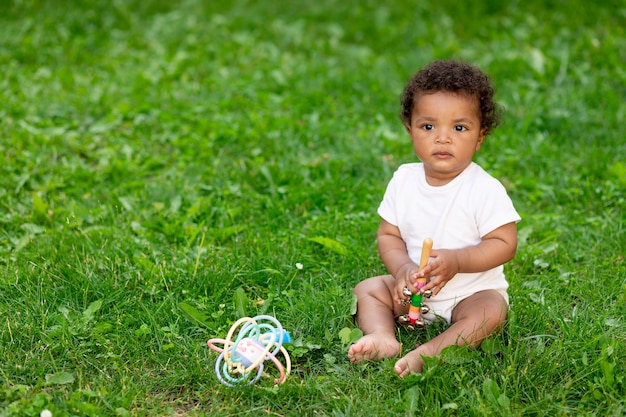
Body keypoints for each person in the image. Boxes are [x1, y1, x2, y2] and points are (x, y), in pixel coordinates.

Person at [347, 60, 521, 377]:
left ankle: (430, 351)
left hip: (469, 295)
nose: (443, 138)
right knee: (369, 289)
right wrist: (401, 268)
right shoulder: (403, 181)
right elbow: (389, 235)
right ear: (410, 130)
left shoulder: (483, 189)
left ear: (480, 137)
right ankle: (383, 337)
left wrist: (457, 261)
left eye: (459, 127)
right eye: (428, 127)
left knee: (491, 312)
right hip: (414, 291)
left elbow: (505, 243)